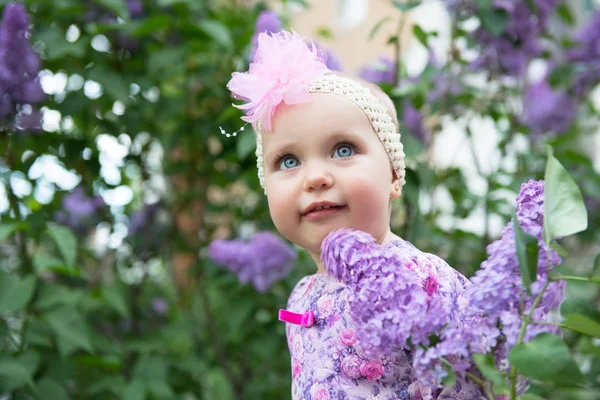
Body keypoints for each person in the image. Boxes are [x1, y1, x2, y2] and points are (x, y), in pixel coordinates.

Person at [225, 30, 485, 400]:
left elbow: (479, 381)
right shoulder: (303, 294)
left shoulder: (420, 277)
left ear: (394, 176)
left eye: (343, 150)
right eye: (288, 161)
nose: (315, 177)